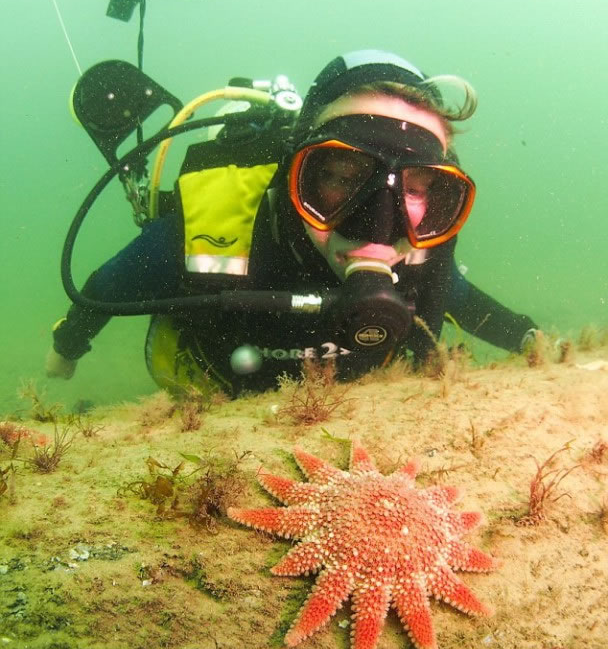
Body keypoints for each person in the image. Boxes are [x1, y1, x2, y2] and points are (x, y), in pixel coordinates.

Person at [46, 49, 538, 396]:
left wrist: (529, 339)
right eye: (343, 176)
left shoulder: (422, 256)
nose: (376, 225)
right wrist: (66, 348)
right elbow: (107, 288)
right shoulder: (213, 221)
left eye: (415, 188)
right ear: (292, 176)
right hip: (210, 389)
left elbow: (465, 301)